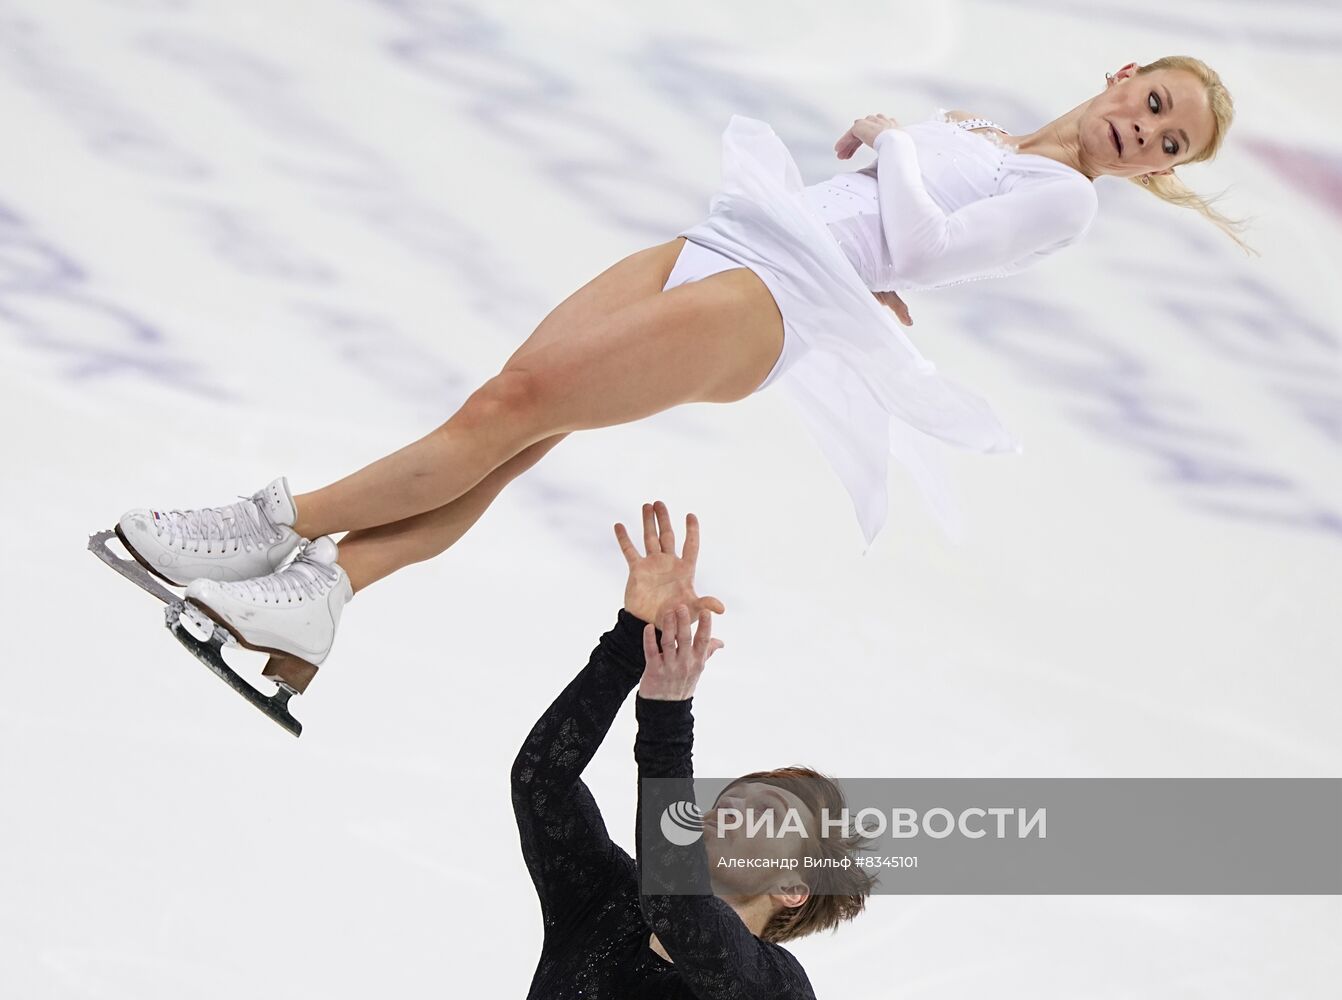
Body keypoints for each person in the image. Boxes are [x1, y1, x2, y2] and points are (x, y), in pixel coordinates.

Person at [109, 56, 1242, 690]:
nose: (1146, 134)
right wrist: (907, 166)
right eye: (1153, 106)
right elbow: (901, 230)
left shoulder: (1065, 201)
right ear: (1122, 75)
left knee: (506, 412)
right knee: (510, 420)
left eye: (1169, 144)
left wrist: (895, 139)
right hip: (738, 239)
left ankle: (261, 529)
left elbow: (928, 242)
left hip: (770, 298)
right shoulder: (997, 139)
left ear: (1160, 171)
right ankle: (322, 598)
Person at [511, 501, 874, 998]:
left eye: (767, 814)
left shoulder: (773, 985)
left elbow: (678, 906)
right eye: (730, 798)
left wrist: (666, 719)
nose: (731, 807)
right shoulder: (605, 900)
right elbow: (541, 780)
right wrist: (630, 638)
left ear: (791, 887)